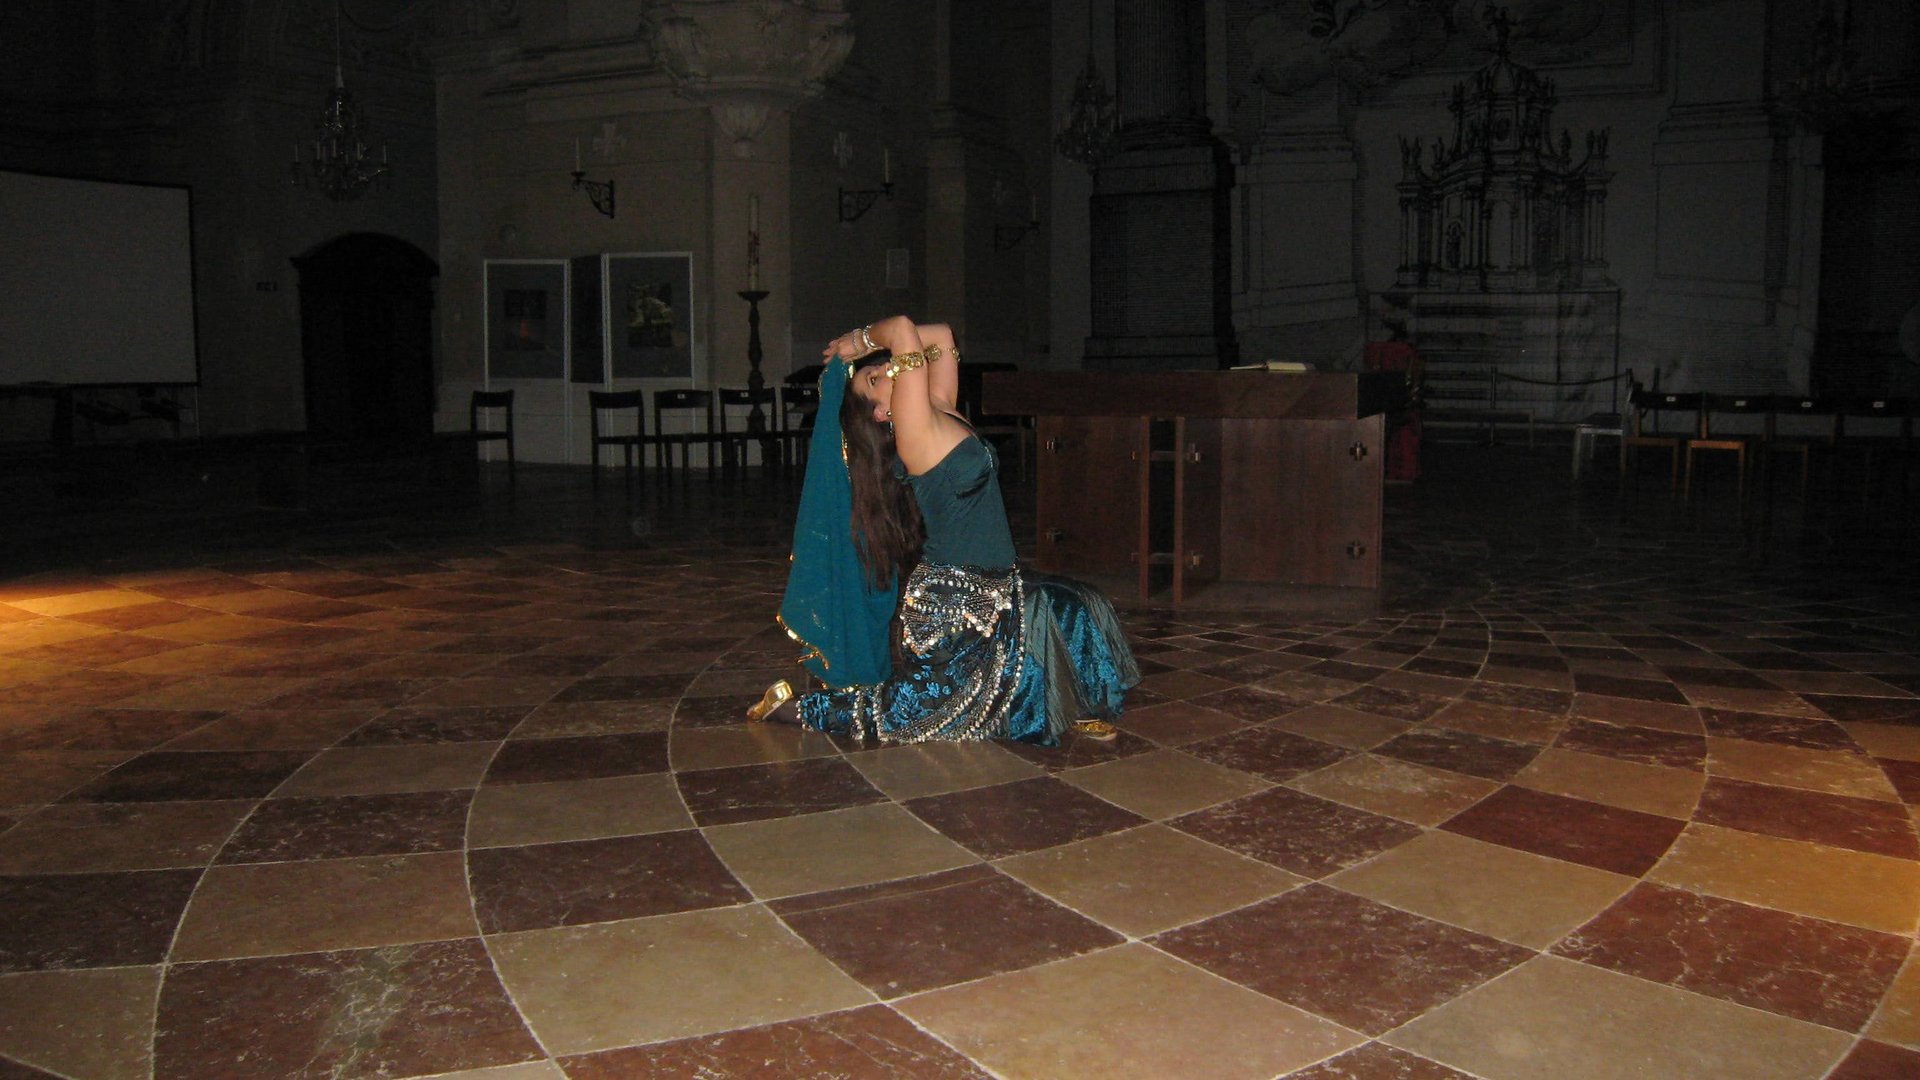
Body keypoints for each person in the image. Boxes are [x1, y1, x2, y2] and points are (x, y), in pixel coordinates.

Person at [748, 315, 1139, 746]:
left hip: (996, 582)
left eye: (882, 369)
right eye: (876, 379)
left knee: (1073, 603)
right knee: (920, 710)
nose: (888, 370)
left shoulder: (939, 407)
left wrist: (863, 353)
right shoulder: (914, 434)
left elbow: (941, 336)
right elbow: (900, 329)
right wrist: (858, 343)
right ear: (881, 414)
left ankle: (1072, 703)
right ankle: (797, 710)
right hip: (955, 598)